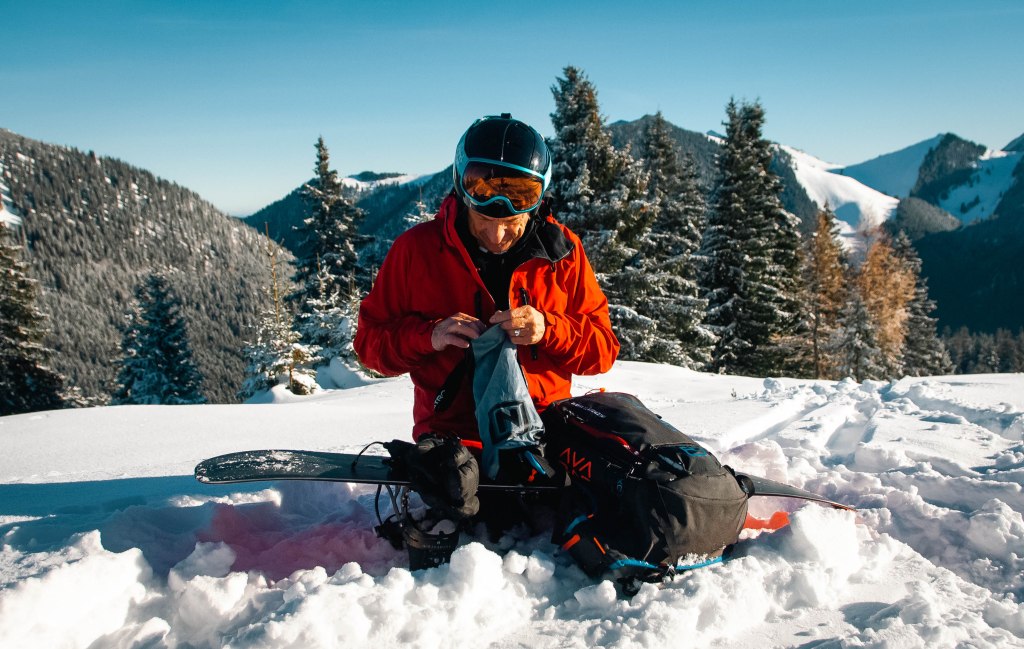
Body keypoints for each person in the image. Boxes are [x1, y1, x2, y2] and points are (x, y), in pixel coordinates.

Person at [354, 113, 619, 525]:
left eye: (511, 223)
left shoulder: (563, 253)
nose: (496, 236)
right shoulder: (416, 251)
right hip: (453, 440)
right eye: (483, 221)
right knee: (459, 488)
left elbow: (602, 351)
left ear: (536, 204)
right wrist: (429, 336)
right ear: (462, 194)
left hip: (544, 434)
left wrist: (549, 329)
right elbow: (370, 346)